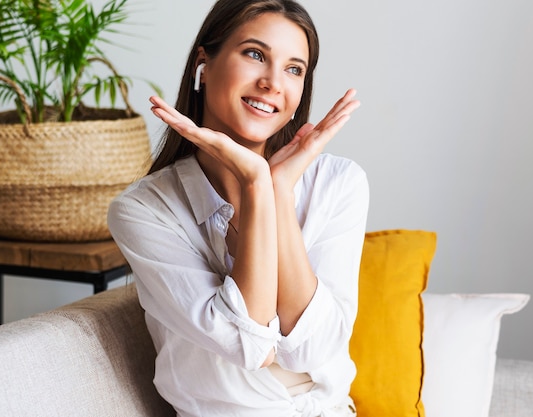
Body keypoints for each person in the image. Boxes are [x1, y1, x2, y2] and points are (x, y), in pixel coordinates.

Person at [108, 0, 369, 415]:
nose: (272, 82)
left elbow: (313, 350)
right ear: (203, 64)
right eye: (254, 54)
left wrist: (277, 192)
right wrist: (254, 183)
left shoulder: (337, 183)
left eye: (293, 69)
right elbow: (251, 346)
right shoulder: (144, 210)